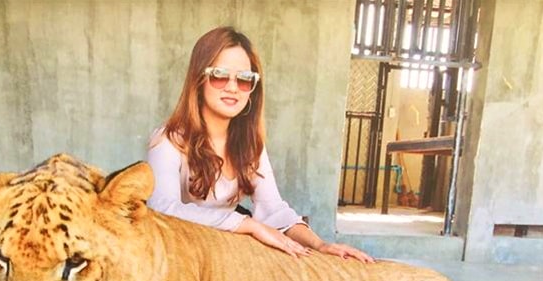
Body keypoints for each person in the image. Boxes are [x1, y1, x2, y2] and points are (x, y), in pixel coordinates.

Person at [147, 26, 374, 263]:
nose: (233, 87)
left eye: (244, 79)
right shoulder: (168, 140)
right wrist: (247, 224)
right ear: (198, 80)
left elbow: (273, 209)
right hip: (182, 257)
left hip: (228, 254)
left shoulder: (249, 143)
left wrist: (320, 244)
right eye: (219, 75)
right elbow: (162, 209)